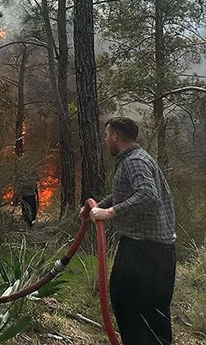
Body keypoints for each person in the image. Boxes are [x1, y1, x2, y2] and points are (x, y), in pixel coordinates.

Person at [80, 117, 176, 345]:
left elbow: (147, 195)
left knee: (132, 304)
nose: (105, 140)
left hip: (146, 251)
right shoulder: (133, 159)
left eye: (106, 135)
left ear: (115, 136)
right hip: (150, 249)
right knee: (147, 311)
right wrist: (97, 207)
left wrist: (110, 212)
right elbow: (127, 194)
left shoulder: (135, 161)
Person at [14, 156, 38, 227]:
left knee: (32, 210)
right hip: (25, 195)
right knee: (26, 210)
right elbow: (18, 185)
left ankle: (31, 223)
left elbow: (36, 180)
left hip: (31, 194)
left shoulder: (32, 172)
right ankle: (28, 223)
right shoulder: (21, 174)